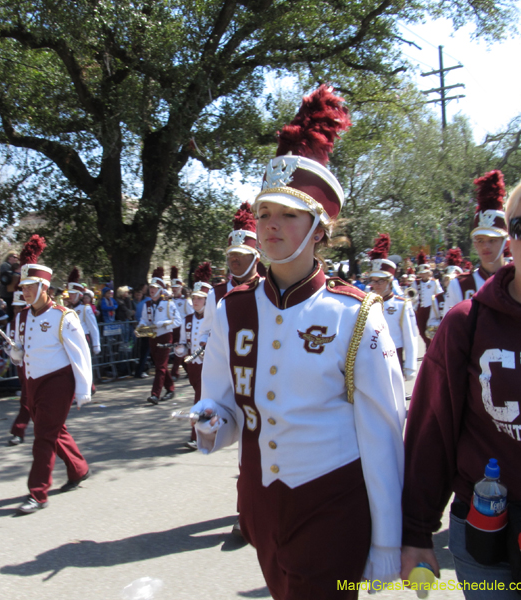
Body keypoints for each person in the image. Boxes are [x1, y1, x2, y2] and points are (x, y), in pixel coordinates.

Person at [191, 87, 405, 598]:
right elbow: (219, 403)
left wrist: (388, 542)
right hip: (259, 503)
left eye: (288, 215)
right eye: (265, 213)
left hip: (333, 502)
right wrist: (208, 420)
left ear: (320, 227)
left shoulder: (357, 314)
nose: (270, 226)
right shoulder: (233, 308)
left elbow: (383, 433)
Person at [401, 168, 521, 596]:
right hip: (490, 534)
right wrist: (416, 532)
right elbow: (431, 435)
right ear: (510, 236)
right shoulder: (466, 323)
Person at [9, 235, 92, 514]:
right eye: (23, 286)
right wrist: (15, 353)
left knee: (43, 436)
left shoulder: (63, 315)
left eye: (31, 286)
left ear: (44, 286)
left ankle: (38, 493)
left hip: (58, 381)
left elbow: (80, 352)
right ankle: (78, 469)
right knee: (54, 431)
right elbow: (21, 347)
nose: (26, 291)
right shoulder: (21, 317)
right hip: (32, 382)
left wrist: (83, 389)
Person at [443, 170, 509, 317]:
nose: (485, 246)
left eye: (492, 240)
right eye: (480, 240)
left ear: (506, 242)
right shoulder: (459, 285)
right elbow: (448, 332)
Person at [199, 202, 264, 344]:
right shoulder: (215, 293)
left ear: (256, 257)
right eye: (231, 254)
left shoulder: (269, 289)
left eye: (241, 254)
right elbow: (205, 330)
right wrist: (204, 343)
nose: (235, 258)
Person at [367, 233, 419, 382]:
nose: (375, 285)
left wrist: (410, 366)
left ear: (390, 281)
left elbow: (410, 337)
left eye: (380, 281)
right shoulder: (365, 302)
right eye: (373, 281)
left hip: (394, 356)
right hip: (370, 357)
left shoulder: (402, 305)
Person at [175, 261, 212, 450]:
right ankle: (211, 430)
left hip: (210, 365)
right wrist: (180, 349)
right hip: (193, 365)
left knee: (199, 399)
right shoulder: (187, 319)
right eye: (194, 298)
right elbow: (183, 341)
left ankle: (196, 436)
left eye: (200, 298)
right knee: (203, 399)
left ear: (207, 300)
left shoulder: (214, 319)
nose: (195, 301)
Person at [136, 267, 182, 404]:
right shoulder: (147, 304)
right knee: (159, 365)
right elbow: (144, 319)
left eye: (155, 288)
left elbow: (178, 321)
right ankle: (170, 389)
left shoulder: (168, 303)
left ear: (161, 290)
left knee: (161, 365)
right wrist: (140, 326)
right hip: (152, 336)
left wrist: (164, 324)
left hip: (165, 336)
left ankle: (155, 394)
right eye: (151, 287)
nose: (152, 290)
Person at [6, 290, 30, 446]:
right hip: (21, 367)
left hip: (34, 366)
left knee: (27, 400)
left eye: (20, 308)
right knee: (33, 401)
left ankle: (18, 430)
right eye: (15, 308)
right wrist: (14, 352)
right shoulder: (11, 324)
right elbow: (9, 347)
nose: (17, 311)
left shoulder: (32, 322)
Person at [426, 248, 464, 338]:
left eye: (453, 279)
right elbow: (432, 320)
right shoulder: (437, 298)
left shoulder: (465, 295)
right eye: (447, 279)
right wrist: (437, 325)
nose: (450, 282)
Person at [409, 251, 443, 351]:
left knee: (431, 330)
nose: (423, 275)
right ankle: (430, 347)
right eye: (422, 274)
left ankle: (430, 349)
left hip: (431, 309)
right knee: (421, 331)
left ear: (429, 273)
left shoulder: (434, 282)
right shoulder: (416, 283)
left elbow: (439, 295)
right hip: (420, 310)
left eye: (425, 273)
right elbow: (412, 294)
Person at [168, 267, 194, 381]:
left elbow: (191, 315)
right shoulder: (169, 301)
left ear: (181, 288)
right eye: (173, 287)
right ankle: (189, 371)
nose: (174, 289)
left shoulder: (185, 301)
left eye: (176, 287)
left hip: (181, 328)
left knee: (179, 349)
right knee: (179, 351)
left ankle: (174, 373)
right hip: (172, 328)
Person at [0, 250, 21, 315]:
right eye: (14, 257)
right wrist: (16, 273)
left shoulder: (13, 267)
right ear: (9, 257)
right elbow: (7, 276)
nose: (16, 259)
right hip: (6, 293)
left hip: (12, 293)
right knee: (8, 312)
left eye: (17, 258)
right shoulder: (5, 265)